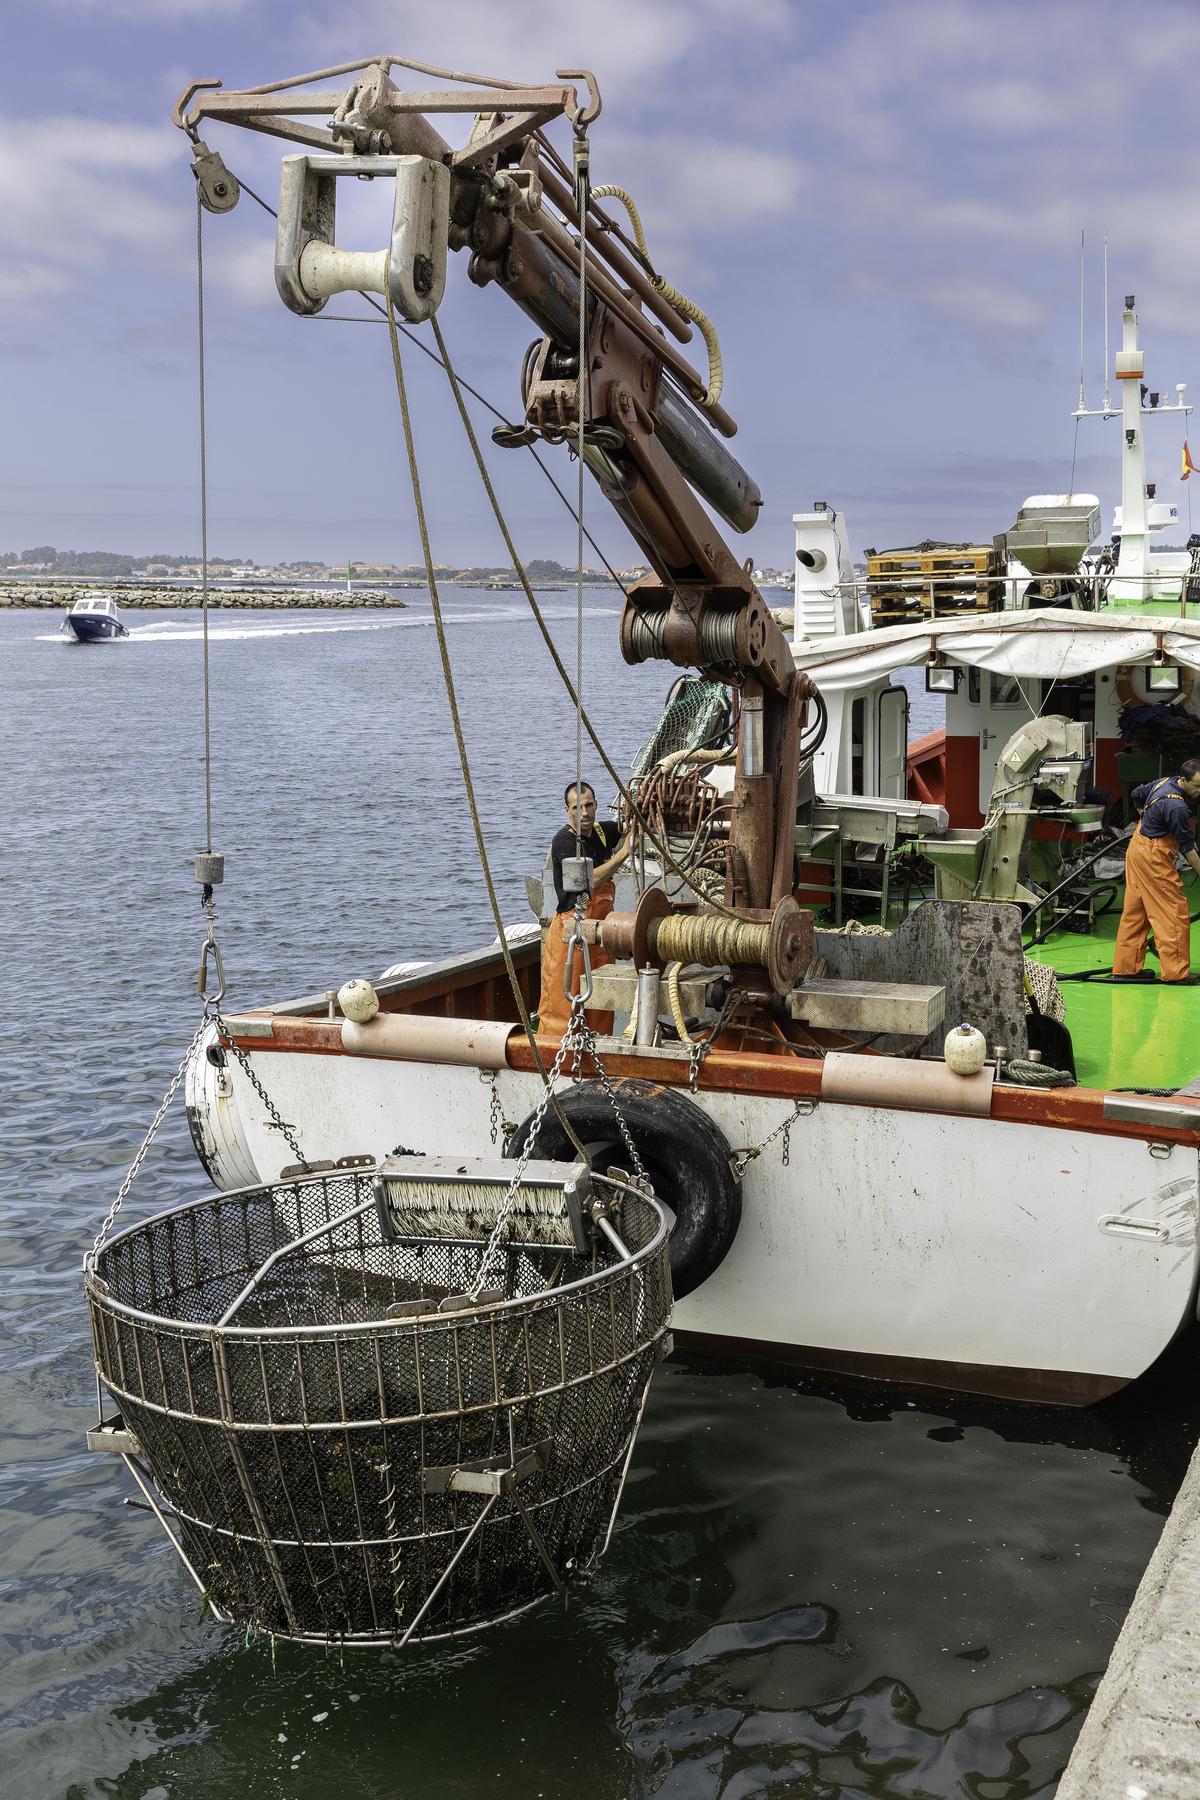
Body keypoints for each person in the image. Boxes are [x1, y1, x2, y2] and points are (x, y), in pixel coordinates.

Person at [537, 781, 629, 1031]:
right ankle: (556, 1052)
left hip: (600, 936)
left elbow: (626, 826)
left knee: (600, 1004)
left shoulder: (600, 831)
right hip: (570, 935)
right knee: (561, 1009)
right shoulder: (564, 841)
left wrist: (635, 817)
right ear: (567, 809)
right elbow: (591, 879)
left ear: (596, 804)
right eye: (577, 807)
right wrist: (624, 853)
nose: (585, 813)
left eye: (589, 805)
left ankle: (597, 1051)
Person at [1112, 759, 1200, 984]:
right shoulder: (1176, 807)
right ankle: (1176, 973)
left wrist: (1145, 816)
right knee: (1172, 911)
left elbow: (1136, 794)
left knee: (1137, 910)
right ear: (1184, 780)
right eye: (1197, 786)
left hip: (1138, 846)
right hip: (1153, 856)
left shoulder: (1164, 782)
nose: (1199, 791)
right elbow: (1188, 848)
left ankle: (1126, 968)